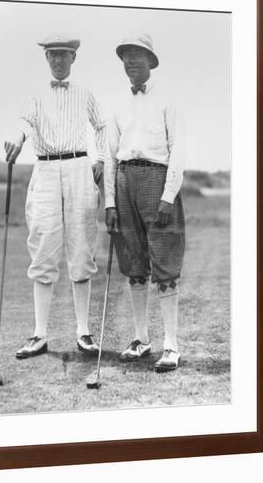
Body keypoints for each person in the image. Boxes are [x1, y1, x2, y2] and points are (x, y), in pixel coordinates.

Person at [4, 34, 106, 359]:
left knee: (81, 249)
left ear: (74, 58)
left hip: (79, 168)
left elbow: (102, 126)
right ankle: (39, 334)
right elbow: (23, 121)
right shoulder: (35, 95)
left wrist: (101, 158)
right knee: (44, 247)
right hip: (45, 171)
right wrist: (16, 140)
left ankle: (84, 333)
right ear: (46, 58)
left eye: (64, 55)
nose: (59, 60)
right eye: (53, 55)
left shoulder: (86, 93)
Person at [104, 33, 186, 372]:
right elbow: (110, 156)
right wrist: (109, 202)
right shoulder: (117, 104)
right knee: (134, 264)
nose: (130, 61)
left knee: (164, 263)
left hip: (157, 180)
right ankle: (141, 339)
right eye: (126, 55)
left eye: (137, 54)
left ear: (150, 61)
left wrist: (168, 195)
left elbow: (178, 150)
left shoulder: (168, 99)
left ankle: (171, 345)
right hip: (124, 182)